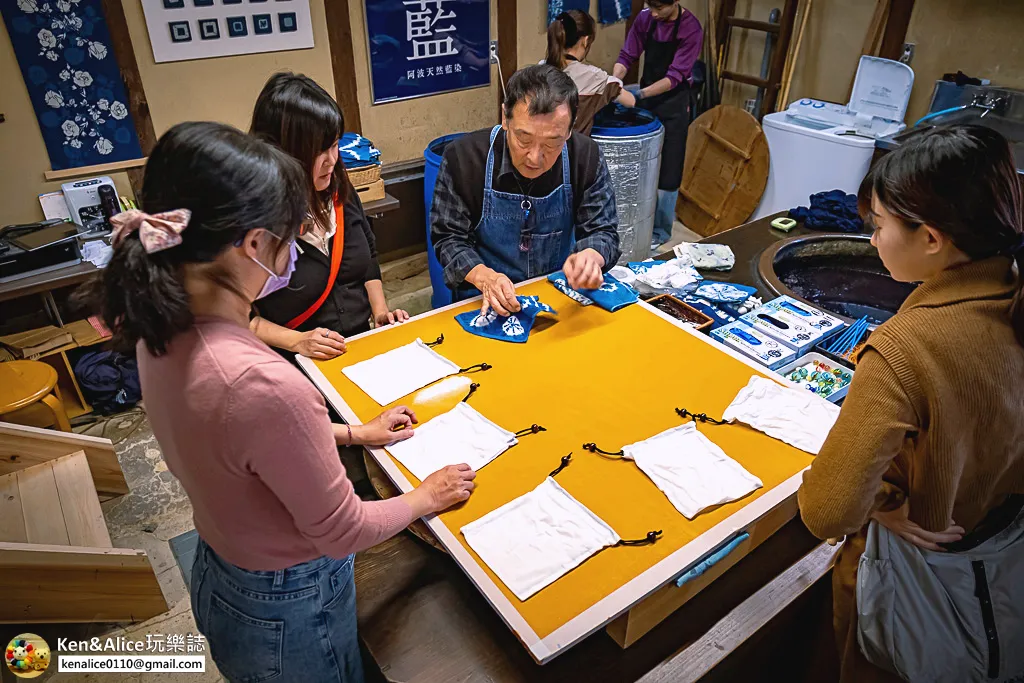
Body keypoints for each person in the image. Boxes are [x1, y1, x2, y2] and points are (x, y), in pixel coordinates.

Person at [85, 121, 476, 683]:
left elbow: (242, 448)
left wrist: (355, 434)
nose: (294, 251)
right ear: (253, 244)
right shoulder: (263, 384)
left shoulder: (156, 323)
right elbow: (343, 531)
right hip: (287, 605)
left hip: (224, 568)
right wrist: (424, 497)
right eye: (289, 236)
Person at [797, 125, 1024, 682]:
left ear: (931, 238)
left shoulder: (905, 348)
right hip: (998, 562)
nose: (871, 242)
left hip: (914, 590)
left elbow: (826, 511)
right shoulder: (1011, 294)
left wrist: (883, 508)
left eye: (878, 226)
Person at [432, 64, 621, 316]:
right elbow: (448, 238)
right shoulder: (465, 158)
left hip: (556, 301)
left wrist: (592, 255)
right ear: (504, 118)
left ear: (570, 128)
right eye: (524, 139)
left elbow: (603, 230)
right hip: (483, 301)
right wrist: (484, 276)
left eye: (552, 142)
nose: (535, 157)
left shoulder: (585, 157)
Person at [248, 73, 408, 362]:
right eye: (318, 151)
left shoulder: (338, 188)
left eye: (334, 145)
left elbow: (368, 255)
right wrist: (297, 341)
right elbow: (231, 315)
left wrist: (381, 312)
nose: (332, 159)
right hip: (294, 364)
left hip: (359, 349)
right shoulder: (253, 221)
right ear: (282, 153)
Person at [613, 0, 702, 250]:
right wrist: (613, 79)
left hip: (673, 101)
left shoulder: (691, 28)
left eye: (659, 8)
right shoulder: (645, 19)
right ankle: (636, 222)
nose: (653, 13)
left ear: (674, 2)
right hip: (647, 95)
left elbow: (674, 77)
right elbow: (627, 54)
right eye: (649, 6)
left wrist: (638, 96)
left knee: (669, 169)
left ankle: (661, 231)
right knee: (643, 162)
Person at [545, 10, 635, 134]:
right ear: (585, 41)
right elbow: (630, 101)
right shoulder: (594, 77)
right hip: (574, 151)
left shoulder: (540, 69)